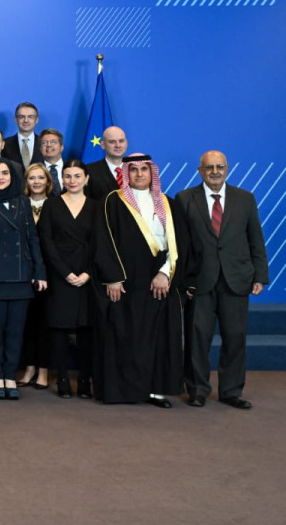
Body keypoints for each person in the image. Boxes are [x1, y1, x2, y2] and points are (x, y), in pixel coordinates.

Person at [94, 154, 186, 408]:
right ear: (126, 173)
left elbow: (180, 244)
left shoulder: (169, 204)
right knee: (126, 335)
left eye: (144, 169)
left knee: (158, 337)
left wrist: (165, 273)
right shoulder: (112, 201)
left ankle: (155, 391)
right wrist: (112, 278)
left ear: (152, 172)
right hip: (126, 282)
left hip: (159, 281)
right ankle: (124, 390)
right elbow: (103, 241)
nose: (139, 174)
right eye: (133, 170)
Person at [178, 151, 268, 409]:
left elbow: (255, 240)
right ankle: (197, 390)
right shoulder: (185, 198)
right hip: (200, 283)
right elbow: (181, 245)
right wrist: (184, 281)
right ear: (199, 171)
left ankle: (231, 391)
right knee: (196, 338)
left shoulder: (245, 199)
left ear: (227, 169)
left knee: (235, 337)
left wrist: (260, 275)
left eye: (219, 167)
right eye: (209, 167)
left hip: (236, 280)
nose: (214, 171)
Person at [0, 159, 47, 401]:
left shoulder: (23, 202)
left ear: (13, 176)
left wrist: (39, 272)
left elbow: (33, 239)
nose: (0, 177)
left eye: (4, 173)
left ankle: (10, 374)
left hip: (21, 276)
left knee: (15, 332)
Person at [37, 159, 97, 399]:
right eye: (68, 176)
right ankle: (62, 379)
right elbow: (46, 241)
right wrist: (65, 272)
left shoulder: (96, 206)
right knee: (59, 331)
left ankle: (84, 381)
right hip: (60, 276)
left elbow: (100, 243)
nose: (72, 180)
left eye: (77, 176)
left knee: (86, 331)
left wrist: (88, 273)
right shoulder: (51, 205)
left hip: (87, 277)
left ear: (86, 179)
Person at [18, 162, 53, 390]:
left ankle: (43, 370)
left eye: (41, 178)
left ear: (48, 182)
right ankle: (29, 367)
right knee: (27, 323)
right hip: (23, 272)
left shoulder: (56, 205)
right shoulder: (19, 205)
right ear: (26, 182)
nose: (37, 182)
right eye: (32, 178)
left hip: (49, 272)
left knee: (45, 322)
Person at [85, 126, 128, 200]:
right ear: (103, 145)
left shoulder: (135, 169)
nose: (118, 145)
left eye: (121, 141)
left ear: (126, 143)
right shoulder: (89, 171)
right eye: (112, 142)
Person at [3, 102, 40, 170]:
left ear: (36, 120)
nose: (26, 120)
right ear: (16, 120)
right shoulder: (4, 144)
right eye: (21, 117)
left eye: (30, 117)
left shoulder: (43, 143)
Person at [37, 129, 66, 196]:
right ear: (40, 149)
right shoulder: (34, 171)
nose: (49, 145)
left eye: (53, 142)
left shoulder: (72, 168)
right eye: (44, 143)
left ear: (61, 147)